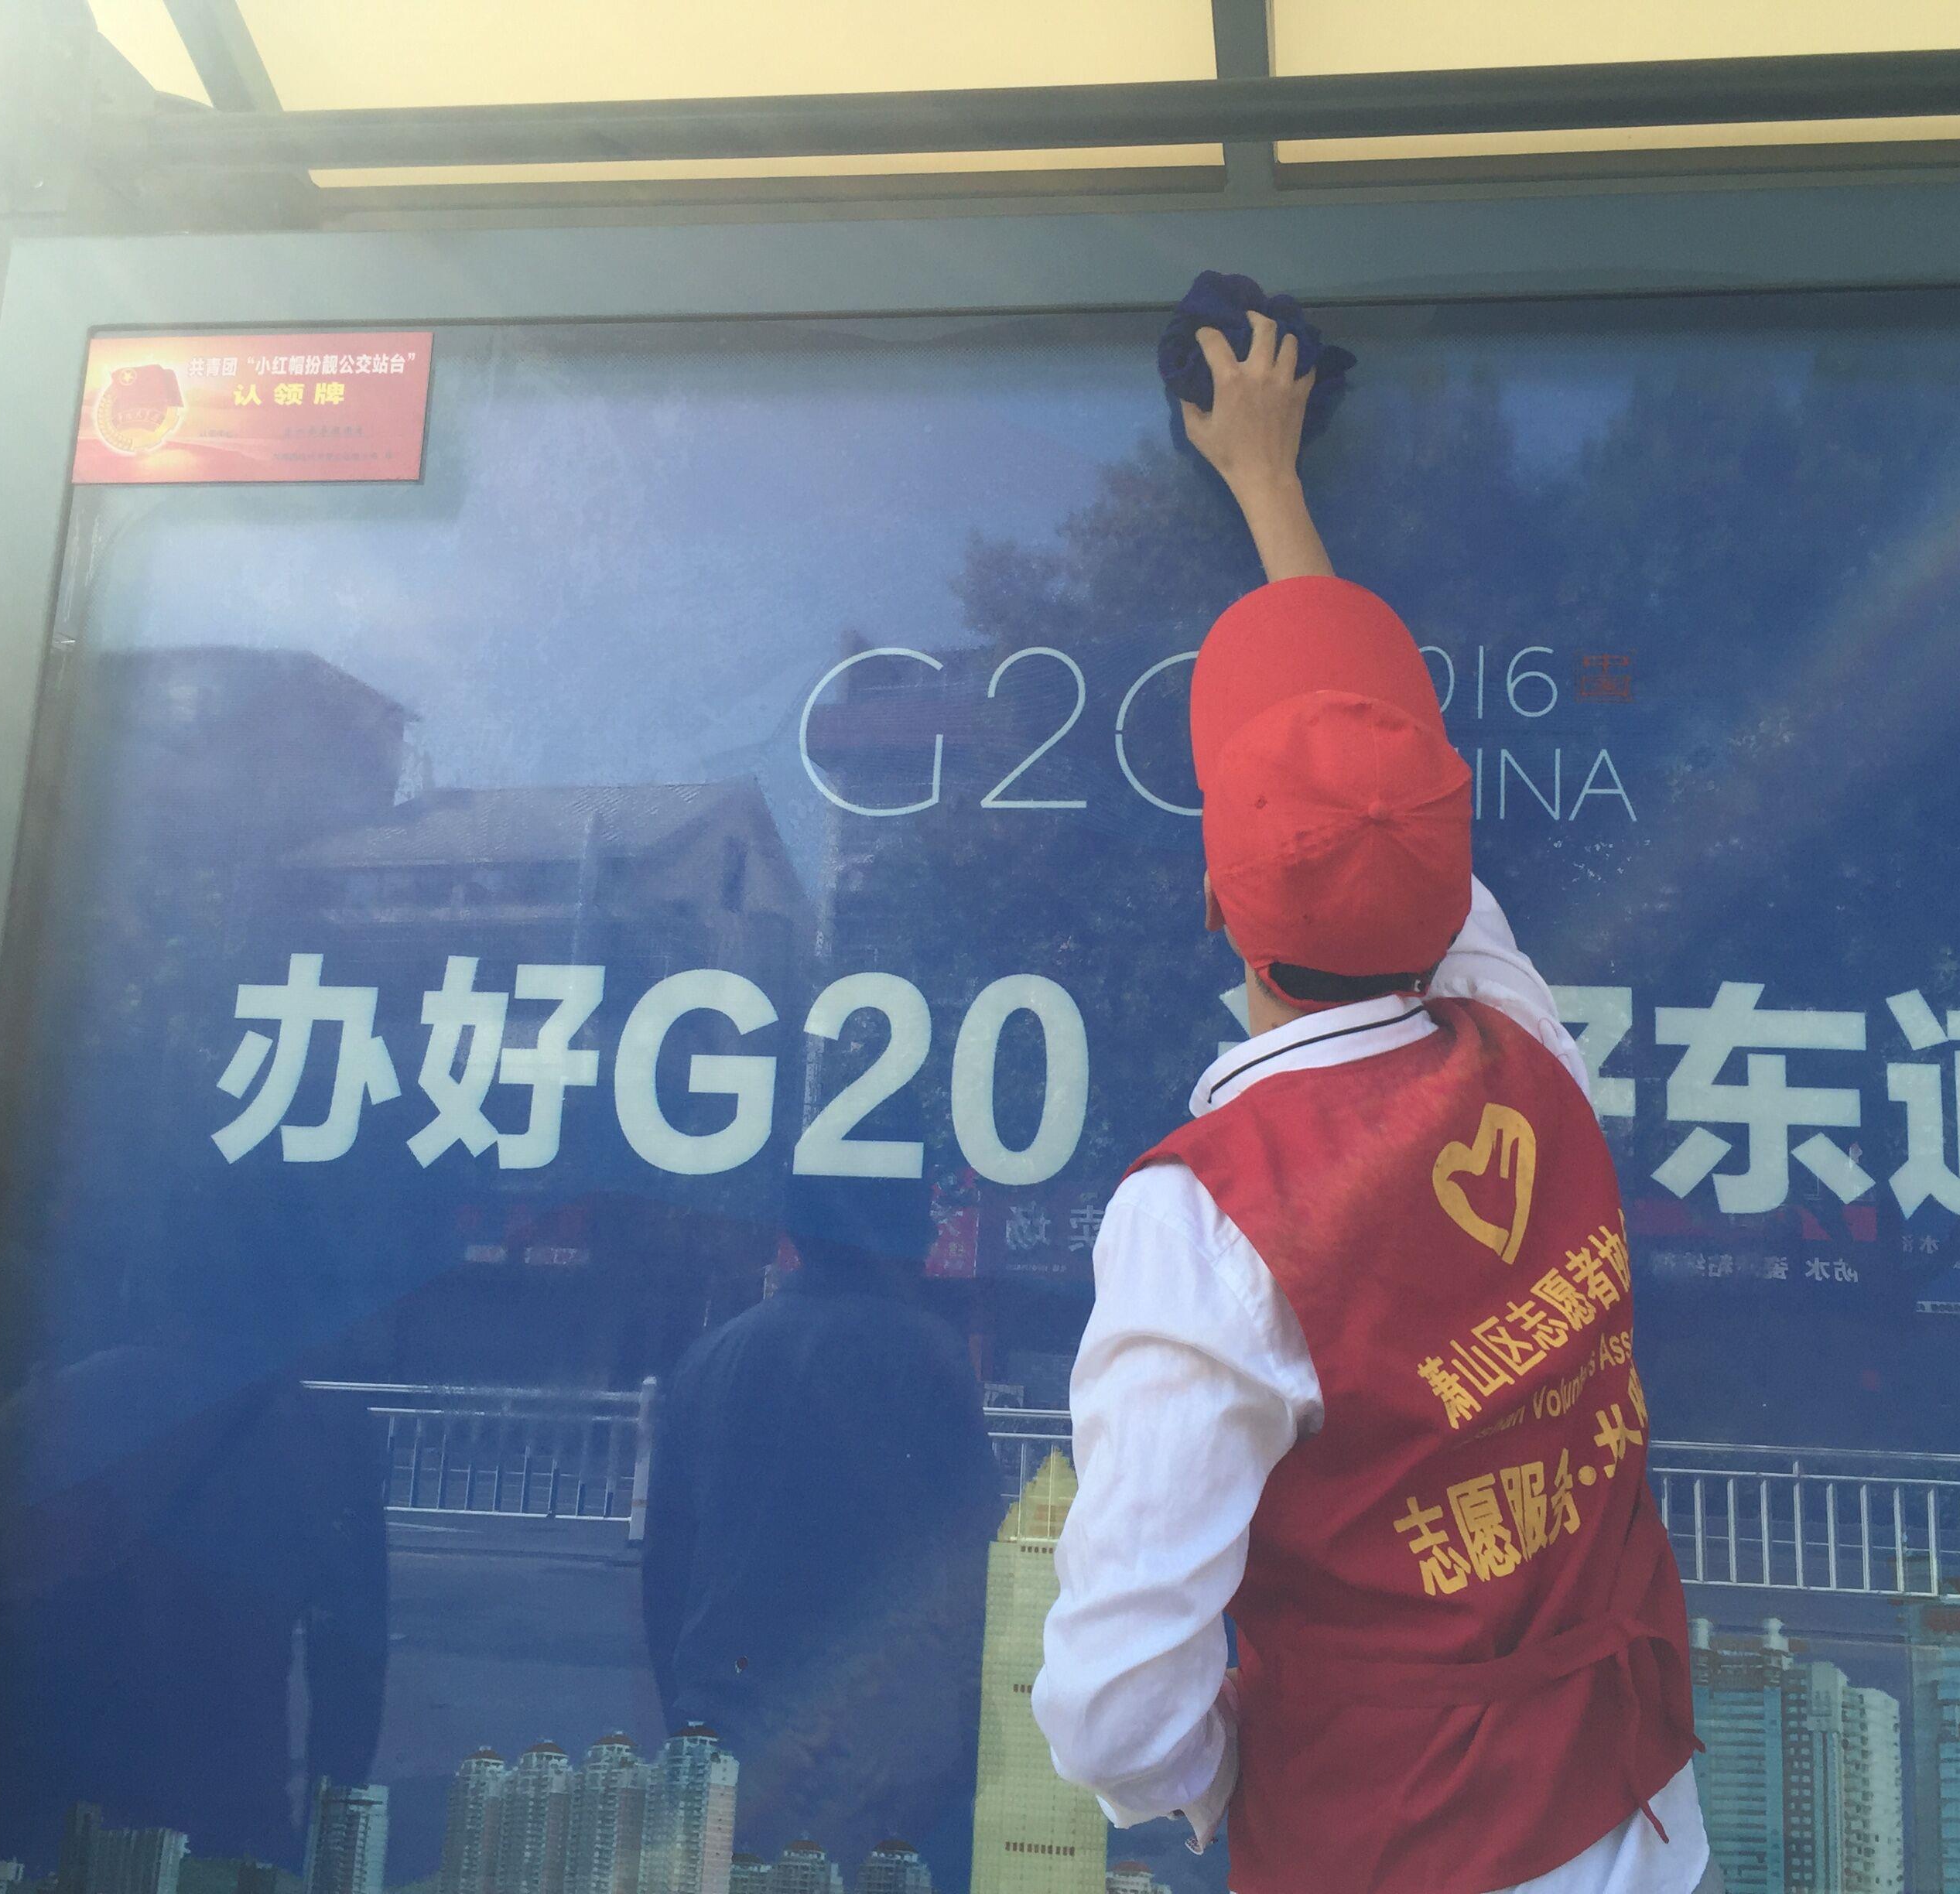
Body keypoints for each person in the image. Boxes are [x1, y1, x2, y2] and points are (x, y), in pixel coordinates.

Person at [1031, 312, 1713, 1894]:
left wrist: (1235, 1763)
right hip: (1640, 1824)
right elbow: (1388, 821)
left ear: (1215, 900)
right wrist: (1270, 483)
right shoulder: (1523, 1046)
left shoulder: (1208, 1220)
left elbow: (1116, 1711)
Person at [640, 1171, 1000, 1881]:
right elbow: (977, 1565)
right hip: (879, 1748)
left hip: (726, 1726)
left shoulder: (716, 1354)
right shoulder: (925, 1353)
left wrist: (688, 1714)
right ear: (889, 1234)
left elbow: (665, 1571)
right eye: (921, 1215)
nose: (932, 1234)